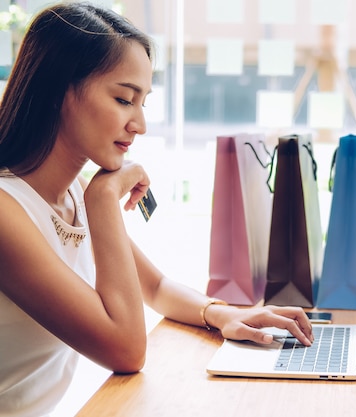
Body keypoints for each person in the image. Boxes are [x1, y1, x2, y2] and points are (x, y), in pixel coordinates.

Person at [0, 3, 314, 416]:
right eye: (123, 99)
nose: (140, 124)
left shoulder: (73, 191)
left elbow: (156, 288)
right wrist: (104, 200)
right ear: (60, 92)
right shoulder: (9, 212)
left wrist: (225, 315)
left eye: (143, 101)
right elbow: (126, 348)